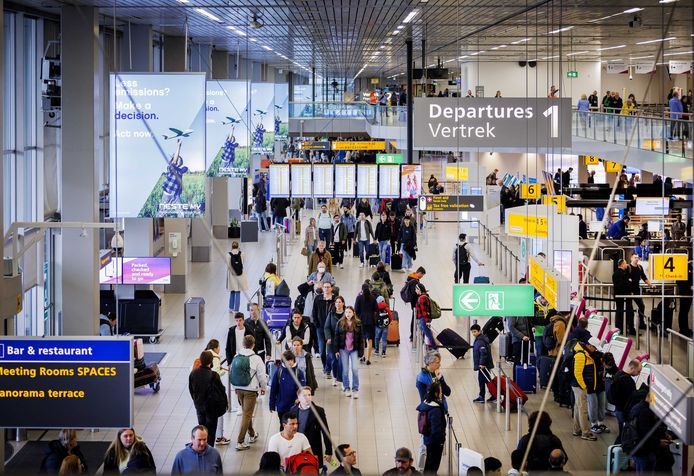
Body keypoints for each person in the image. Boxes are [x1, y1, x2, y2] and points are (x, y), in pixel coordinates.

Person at [233, 335, 268, 451]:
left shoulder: (236, 355)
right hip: (250, 390)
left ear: (243, 344)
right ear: (253, 345)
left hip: (238, 388)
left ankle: (252, 434)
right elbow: (262, 376)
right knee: (247, 414)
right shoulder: (256, 358)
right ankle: (240, 441)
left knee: (246, 412)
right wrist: (263, 387)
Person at [189, 351, 227, 447]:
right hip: (211, 408)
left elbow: (191, 390)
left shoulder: (193, 373)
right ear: (211, 361)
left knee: (201, 429)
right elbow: (221, 390)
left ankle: (200, 447)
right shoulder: (214, 375)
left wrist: (196, 401)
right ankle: (208, 450)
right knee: (211, 432)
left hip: (199, 407)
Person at [290, 387, 333, 466]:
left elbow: (325, 431)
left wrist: (328, 451)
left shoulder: (319, 411)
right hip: (296, 447)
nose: (308, 397)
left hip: (312, 447)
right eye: (304, 395)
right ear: (299, 397)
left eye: (309, 395)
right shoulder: (293, 410)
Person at [269, 351, 306, 428]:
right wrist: (271, 405)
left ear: (294, 360)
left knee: (295, 426)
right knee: (283, 426)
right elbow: (273, 390)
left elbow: (302, 388)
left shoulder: (299, 372)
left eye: (291, 360)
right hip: (282, 406)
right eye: (287, 360)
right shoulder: (279, 372)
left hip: (295, 406)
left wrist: (298, 398)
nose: (289, 362)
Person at [416, 382, 447, 474]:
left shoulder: (426, 404)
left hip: (427, 438)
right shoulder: (435, 409)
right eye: (440, 391)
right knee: (433, 465)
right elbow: (436, 428)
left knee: (429, 462)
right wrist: (441, 440)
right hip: (435, 442)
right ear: (436, 393)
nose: (441, 393)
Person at [608, 358, 642, 443]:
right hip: (624, 411)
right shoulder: (628, 381)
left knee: (621, 432)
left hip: (618, 409)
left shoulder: (618, 374)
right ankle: (619, 450)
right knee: (625, 434)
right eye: (638, 371)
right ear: (632, 368)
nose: (639, 374)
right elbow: (632, 399)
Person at [570, 340, 598, 441]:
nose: (594, 350)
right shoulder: (581, 355)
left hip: (578, 386)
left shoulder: (584, 353)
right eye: (594, 347)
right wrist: (583, 386)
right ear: (589, 345)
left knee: (578, 408)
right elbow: (577, 373)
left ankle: (576, 429)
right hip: (579, 386)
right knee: (583, 409)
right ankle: (585, 432)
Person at [334, 306, 363, 398]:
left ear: (353, 313)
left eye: (350, 312)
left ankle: (355, 389)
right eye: (346, 312)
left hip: (354, 349)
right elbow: (336, 337)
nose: (348, 314)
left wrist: (361, 352)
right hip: (343, 350)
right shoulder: (340, 323)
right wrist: (336, 350)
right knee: (345, 370)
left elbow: (361, 339)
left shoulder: (358, 323)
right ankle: (346, 388)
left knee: (355, 369)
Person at [204, 339, 229, 445]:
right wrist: (224, 371)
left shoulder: (204, 354)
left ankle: (204, 435)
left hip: (203, 391)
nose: (220, 349)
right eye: (218, 347)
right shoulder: (215, 358)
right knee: (218, 414)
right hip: (213, 390)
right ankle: (219, 437)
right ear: (215, 348)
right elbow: (216, 373)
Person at [312, 281, 337, 377]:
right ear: (322, 289)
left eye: (328, 287)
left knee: (330, 352)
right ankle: (325, 366)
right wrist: (316, 323)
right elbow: (314, 311)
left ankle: (328, 370)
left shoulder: (335, 300)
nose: (326, 289)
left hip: (331, 329)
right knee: (322, 350)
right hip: (320, 328)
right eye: (325, 287)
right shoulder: (318, 299)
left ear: (331, 288)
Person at [324, 295, 346, 387]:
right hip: (332, 341)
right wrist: (328, 337)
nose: (338, 304)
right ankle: (334, 377)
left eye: (340, 302)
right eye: (336, 302)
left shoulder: (346, 314)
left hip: (342, 341)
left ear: (343, 303)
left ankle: (340, 379)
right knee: (333, 359)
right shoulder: (331, 314)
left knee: (340, 361)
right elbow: (326, 327)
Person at [629, 254, 654, 332]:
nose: (637, 259)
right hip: (629, 291)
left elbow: (644, 277)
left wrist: (650, 285)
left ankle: (641, 324)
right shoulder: (628, 267)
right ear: (631, 258)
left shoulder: (640, 267)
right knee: (629, 309)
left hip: (636, 290)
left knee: (641, 306)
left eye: (637, 258)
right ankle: (629, 326)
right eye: (635, 258)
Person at [354, 283, 377, 364]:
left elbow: (356, 310)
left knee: (362, 340)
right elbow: (376, 309)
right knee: (369, 340)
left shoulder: (359, 298)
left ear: (362, 289)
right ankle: (368, 359)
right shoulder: (373, 298)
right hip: (371, 321)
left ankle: (363, 356)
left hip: (361, 321)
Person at [471, 324, 495, 403]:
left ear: (479, 331)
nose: (473, 333)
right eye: (472, 332)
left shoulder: (480, 341)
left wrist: (481, 363)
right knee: (485, 380)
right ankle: (491, 395)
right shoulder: (480, 339)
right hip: (484, 365)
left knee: (485, 380)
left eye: (475, 331)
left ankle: (487, 396)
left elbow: (483, 353)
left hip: (483, 365)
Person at [415, 284, 438, 350]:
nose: (415, 291)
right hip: (424, 318)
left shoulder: (422, 298)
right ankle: (426, 346)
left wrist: (427, 321)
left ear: (419, 289)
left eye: (416, 289)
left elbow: (425, 311)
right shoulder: (424, 296)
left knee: (428, 333)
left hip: (424, 318)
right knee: (424, 331)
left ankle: (434, 348)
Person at [612, 259, 633, 333]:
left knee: (619, 311)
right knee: (620, 311)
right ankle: (620, 328)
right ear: (622, 264)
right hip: (622, 295)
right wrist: (628, 282)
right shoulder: (621, 274)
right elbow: (623, 284)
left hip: (619, 295)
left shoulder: (617, 273)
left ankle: (620, 327)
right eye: (625, 263)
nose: (626, 265)